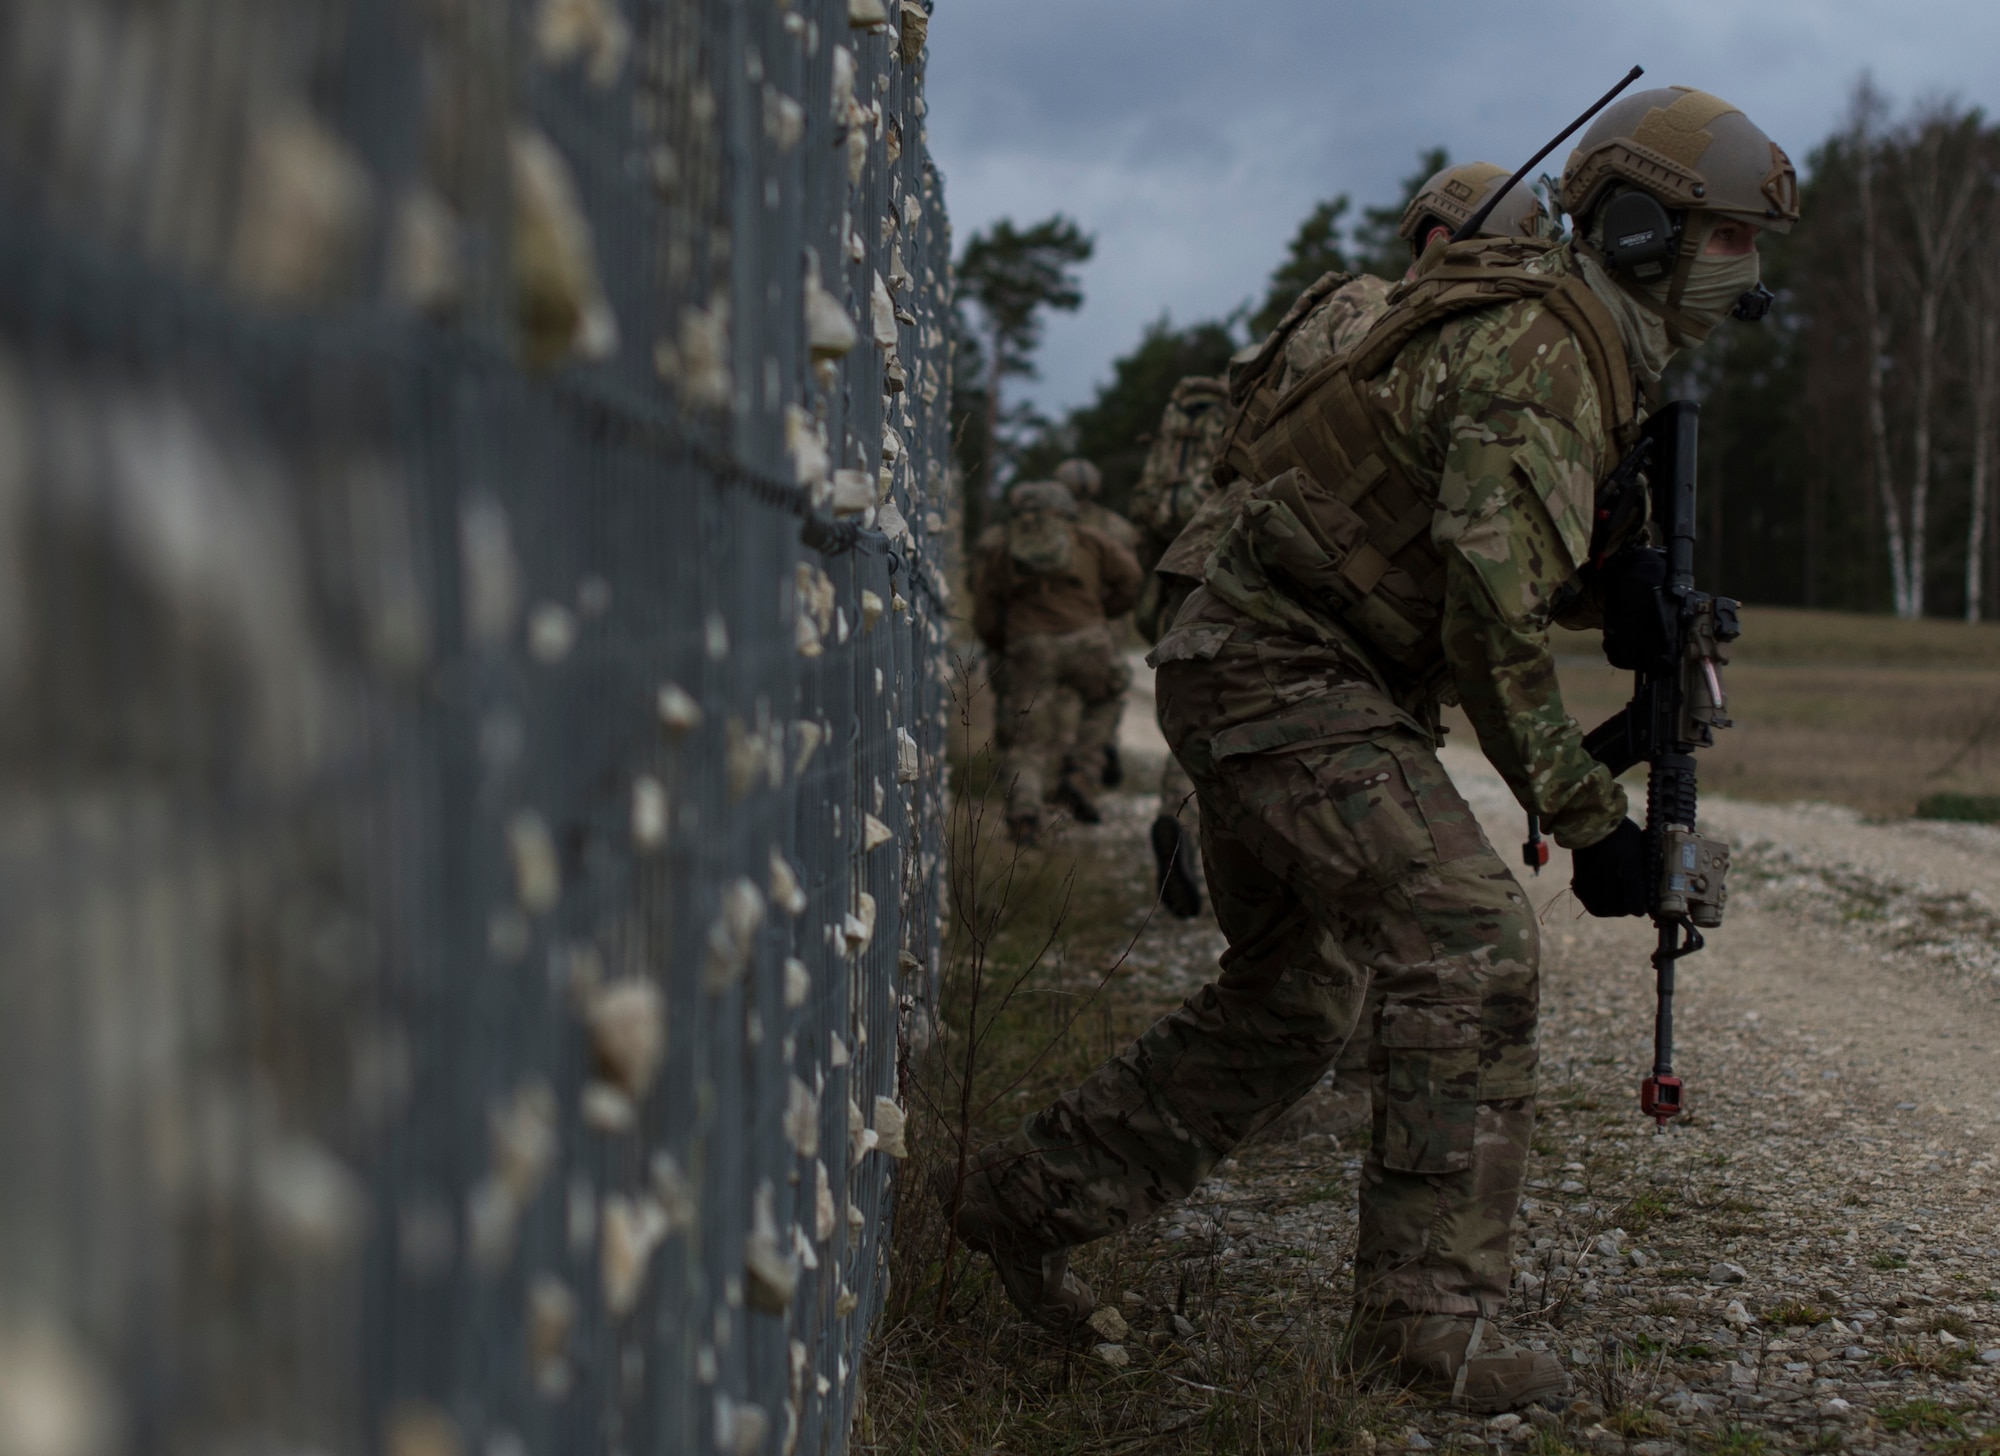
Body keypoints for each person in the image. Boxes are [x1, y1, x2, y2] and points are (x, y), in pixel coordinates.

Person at [939, 87, 1796, 1412]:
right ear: (1646, 232)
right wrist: (1590, 825)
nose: (1746, 270)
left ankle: (1020, 1201)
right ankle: (1423, 1335)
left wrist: (1611, 582)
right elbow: (1483, 616)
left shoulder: (1575, 342)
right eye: (1730, 238)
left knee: (1295, 997)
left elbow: (1475, 535)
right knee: (1470, 940)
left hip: (1256, 658)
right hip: (1283, 668)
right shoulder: (1548, 350)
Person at [971, 479, 1141, 842]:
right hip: (1088, 639)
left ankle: (1025, 815)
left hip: (1029, 646)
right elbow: (1130, 579)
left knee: (1026, 737)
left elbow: (985, 614)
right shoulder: (1090, 539)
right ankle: (1083, 771)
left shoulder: (1003, 548)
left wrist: (1009, 642)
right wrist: (1102, 611)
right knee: (1106, 697)